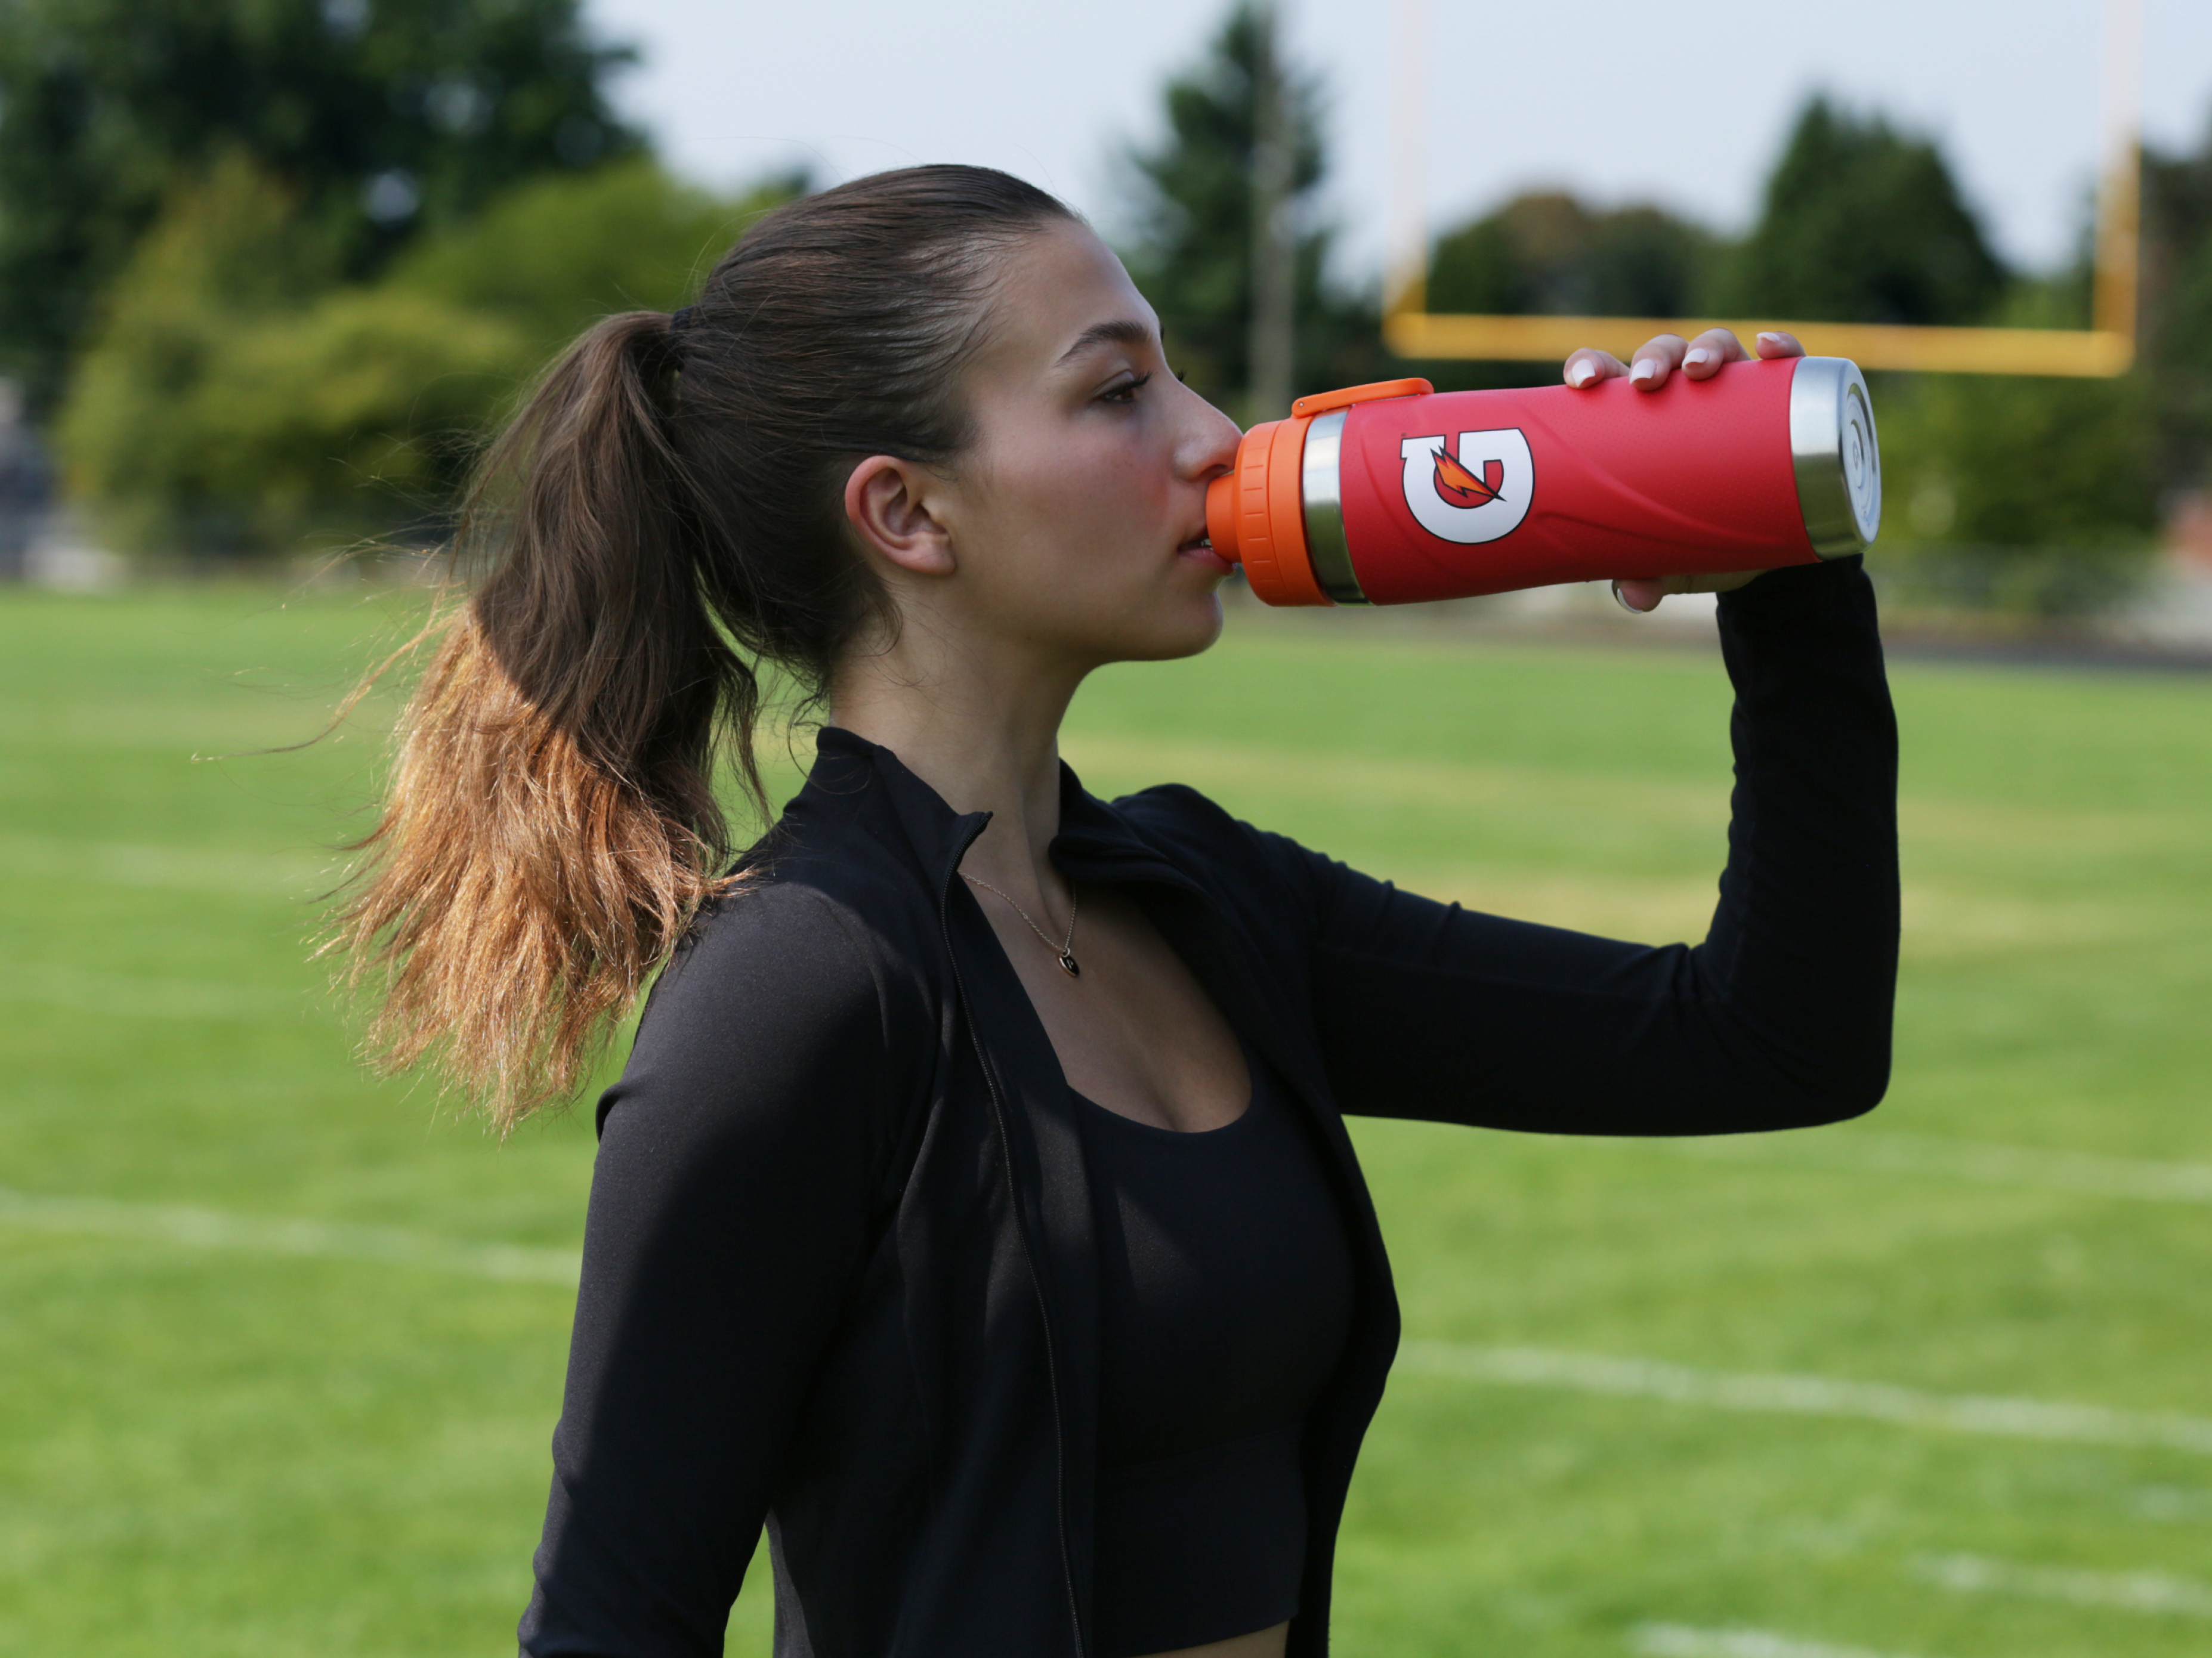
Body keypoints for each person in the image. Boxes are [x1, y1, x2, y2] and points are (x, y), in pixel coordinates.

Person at [339, 166, 1898, 1658]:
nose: (1214, 437)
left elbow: (1771, 1041)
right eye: (1116, 391)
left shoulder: (1211, 899)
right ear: (906, 513)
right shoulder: (800, 988)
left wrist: (1780, 569)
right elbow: (612, 1622)